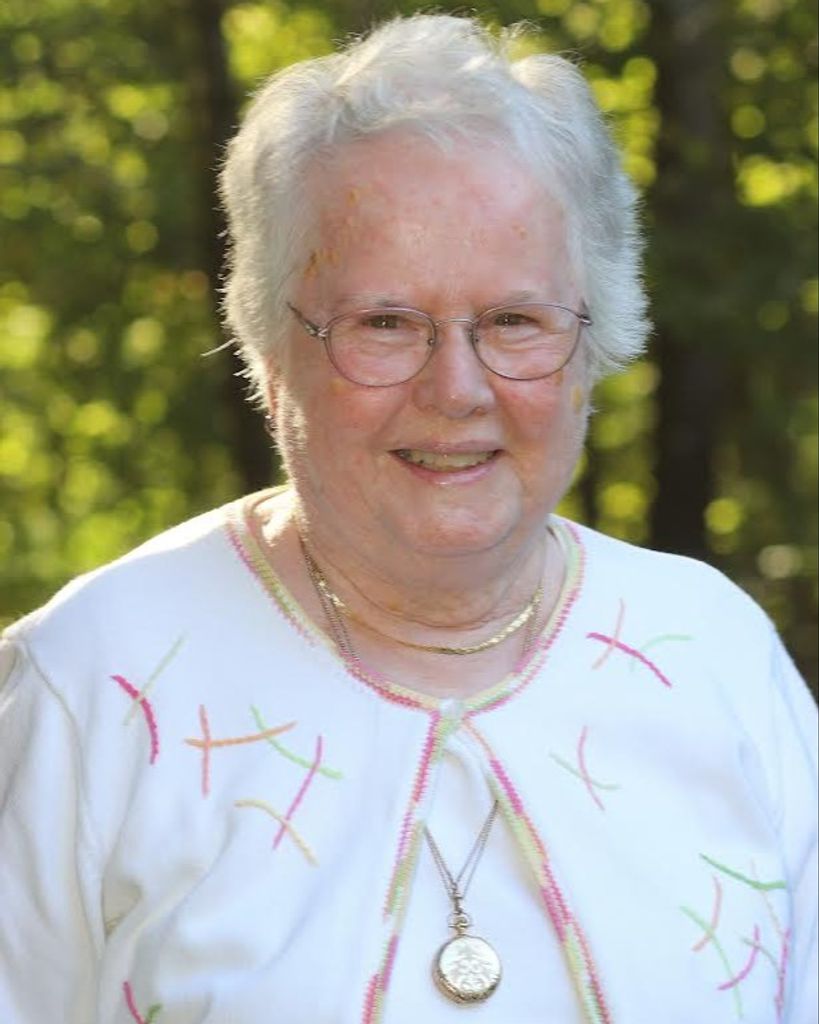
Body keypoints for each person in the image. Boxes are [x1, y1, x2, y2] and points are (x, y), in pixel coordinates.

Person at [0, 13, 815, 1024]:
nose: (457, 388)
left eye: (514, 321)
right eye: (383, 323)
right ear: (267, 344)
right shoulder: (91, 685)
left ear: (595, 335)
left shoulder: (712, 652)